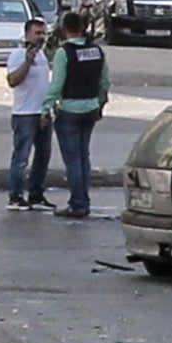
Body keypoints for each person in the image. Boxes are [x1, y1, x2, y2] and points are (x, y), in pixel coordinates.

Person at [49, 12, 114, 219]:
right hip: (91, 108)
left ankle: (77, 203)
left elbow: (57, 84)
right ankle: (83, 200)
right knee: (83, 156)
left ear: (64, 28)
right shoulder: (96, 51)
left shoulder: (64, 52)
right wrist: (101, 102)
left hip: (70, 109)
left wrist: (46, 108)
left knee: (73, 159)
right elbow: (104, 82)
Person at [2, 16, 57, 206]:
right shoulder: (18, 54)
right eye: (37, 33)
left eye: (43, 33)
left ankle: (36, 193)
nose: (41, 37)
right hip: (24, 114)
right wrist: (27, 61)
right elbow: (13, 81)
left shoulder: (42, 56)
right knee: (21, 158)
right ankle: (15, 196)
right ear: (27, 34)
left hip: (42, 113)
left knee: (43, 157)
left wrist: (48, 109)